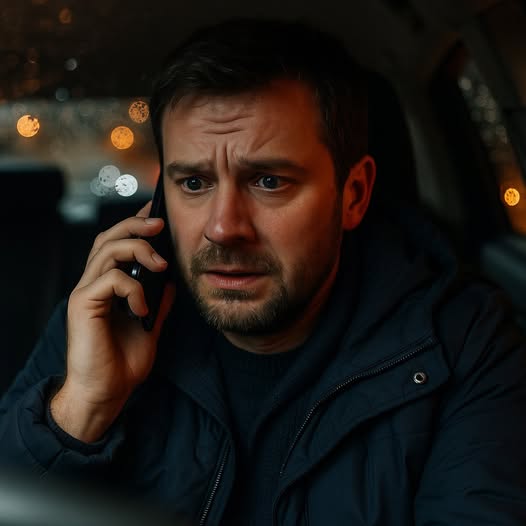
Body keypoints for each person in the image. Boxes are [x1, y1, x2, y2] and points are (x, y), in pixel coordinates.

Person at [2, 17, 526, 526]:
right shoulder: (105, 318)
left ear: (354, 195)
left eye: (269, 181)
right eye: (194, 184)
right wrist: (83, 407)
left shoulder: (461, 343)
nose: (223, 228)